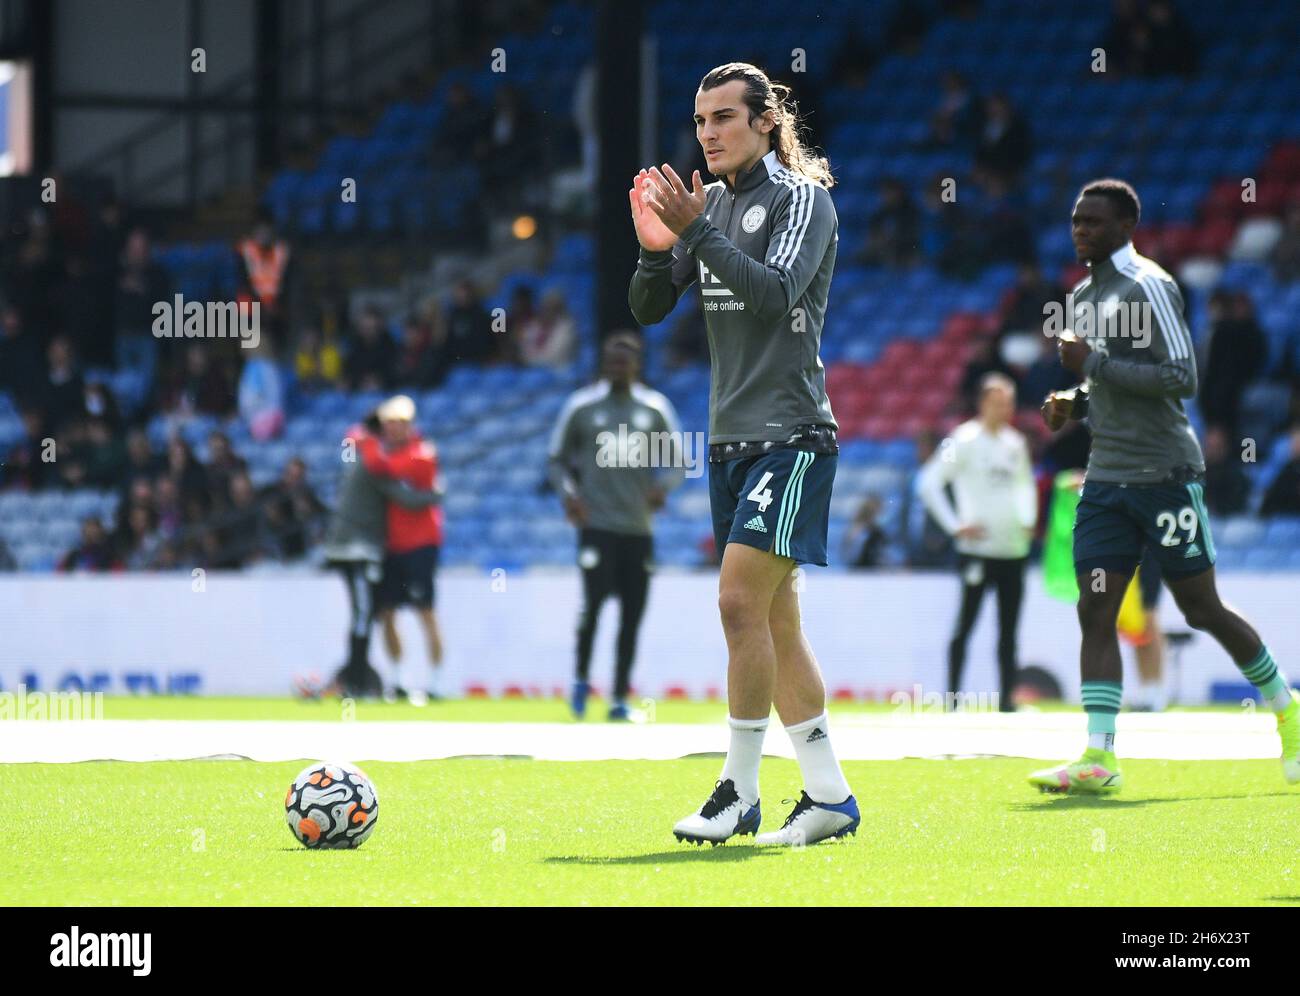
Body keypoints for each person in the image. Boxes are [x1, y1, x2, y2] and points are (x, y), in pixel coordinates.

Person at [628, 62, 858, 845]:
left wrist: (694, 230)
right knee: (776, 625)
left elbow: (772, 293)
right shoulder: (713, 204)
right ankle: (828, 797)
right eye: (699, 122)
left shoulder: (804, 200)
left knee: (735, 604)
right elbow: (652, 308)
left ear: (767, 121)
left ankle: (739, 790)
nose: (708, 134)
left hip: (792, 437)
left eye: (724, 118)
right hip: (729, 441)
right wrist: (657, 249)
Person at [1030, 178, 1297, 794]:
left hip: (1165, 474)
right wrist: (1074, 400)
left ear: (1126, 227)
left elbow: (1180, 376)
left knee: (1200, 609)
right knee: (1095, 608)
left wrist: (1089, 366)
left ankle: (1286, 706)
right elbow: (1111, 385)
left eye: (1093, 222)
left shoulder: (1150, 287)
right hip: (1106, 480)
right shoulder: (1085, 295)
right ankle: (1099, 756)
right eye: (1075, 221)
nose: (1080, 231)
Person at [548, 334, 684, 721]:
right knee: (591, 608)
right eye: (611, 361)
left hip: (638, 529)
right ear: (604, 363)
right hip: (597, 525)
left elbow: (678, 461)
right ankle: (579, 681)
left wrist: (663, 487)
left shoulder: (653, 408)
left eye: (623, 362)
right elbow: (555, 459)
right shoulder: (583, 407)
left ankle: (619, 697)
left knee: (631, 615)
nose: (617, 368)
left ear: (637, 364)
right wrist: (569, 495)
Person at [919, 373, 1036, 710]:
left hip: (1012, 549)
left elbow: (1025, 486)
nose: (1005, 410)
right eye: (999, 403)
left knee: (1009, 630)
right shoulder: (963, 440)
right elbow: (929, 483)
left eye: (1009, 403)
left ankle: (1006, 702)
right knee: (965, 624)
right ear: (983, 403)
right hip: (977, 551)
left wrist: (1027, 520)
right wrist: (956, 526)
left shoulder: (1015, 444)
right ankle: (953, 699)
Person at [318, 410, 442, 699]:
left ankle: (359, 680)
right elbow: (406, 497)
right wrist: (435, 495)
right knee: (365, 613)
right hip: (356, 548)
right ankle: (355, 683)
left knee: (370, 613)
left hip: (356, 547)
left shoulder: (359, 454)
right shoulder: (372, 460)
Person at [372, 395, 448, 703]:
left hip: (420, 544)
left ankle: (436, 682)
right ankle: (398, 678)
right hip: (391, 545)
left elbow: (388, 466)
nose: (393, 429)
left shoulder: (422, 454)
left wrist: (364, 447)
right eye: (388, 423)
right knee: (387, 613)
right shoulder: (390, 454)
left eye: (399, 423)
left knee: (425, 612)